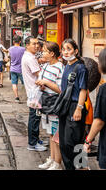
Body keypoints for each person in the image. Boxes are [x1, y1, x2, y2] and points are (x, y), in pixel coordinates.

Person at [59, 39, 88, 170]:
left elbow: (83, 90)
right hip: (65, 106)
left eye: (69, 49)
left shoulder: (80, 67)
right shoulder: (66, 66)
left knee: (75, 142)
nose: (65, 52)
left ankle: (82, 167)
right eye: (63, 49)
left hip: (76, 106)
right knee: (64, 143)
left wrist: (79, 108)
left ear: (76, 51)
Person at [35, 41, 64, 170]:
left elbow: (61, 89)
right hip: (45, 102)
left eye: (45, 51)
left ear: (52, 54)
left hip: (55, 103)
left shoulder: (60, 67)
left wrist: (45, 82)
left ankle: (57, 162)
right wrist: (41, 85)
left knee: (55, 134)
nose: (43, 53)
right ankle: (51, 159)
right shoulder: (45, 66)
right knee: (50, 134)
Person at [21, 36, 47, 152]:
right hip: (35, 92)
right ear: (27, 45)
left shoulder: (29, 56)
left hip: (32, 91)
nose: (36, 46)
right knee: (34, 118)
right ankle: (32, 143)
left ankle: (36, 139)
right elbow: (39, 73)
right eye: (33, 44)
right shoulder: (30, 58)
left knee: (35, 117)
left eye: (37, 44)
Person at [8, 36, 25, 103]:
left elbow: (9, 56)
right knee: (25, 83)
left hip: (12, 68)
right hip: (21, 69)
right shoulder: (23, 49)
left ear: (13, 42)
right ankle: (29, 96)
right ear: (20, 41)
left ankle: (16, 97)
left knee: (14, 83)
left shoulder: (10, 49)